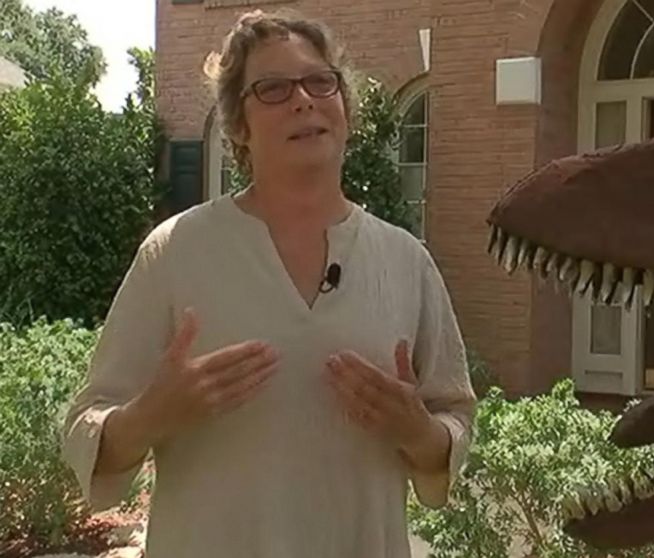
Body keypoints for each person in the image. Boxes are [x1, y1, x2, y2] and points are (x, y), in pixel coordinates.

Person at [61, 9, 476, 558]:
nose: (304, 98)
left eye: (320, 81)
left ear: (345, 108)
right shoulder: (175, 253)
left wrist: (420, 433)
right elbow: (83, 432)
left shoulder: (405, 261)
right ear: (238, 125)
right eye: (274, 88)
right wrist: (150, 417)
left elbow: (455, 419)